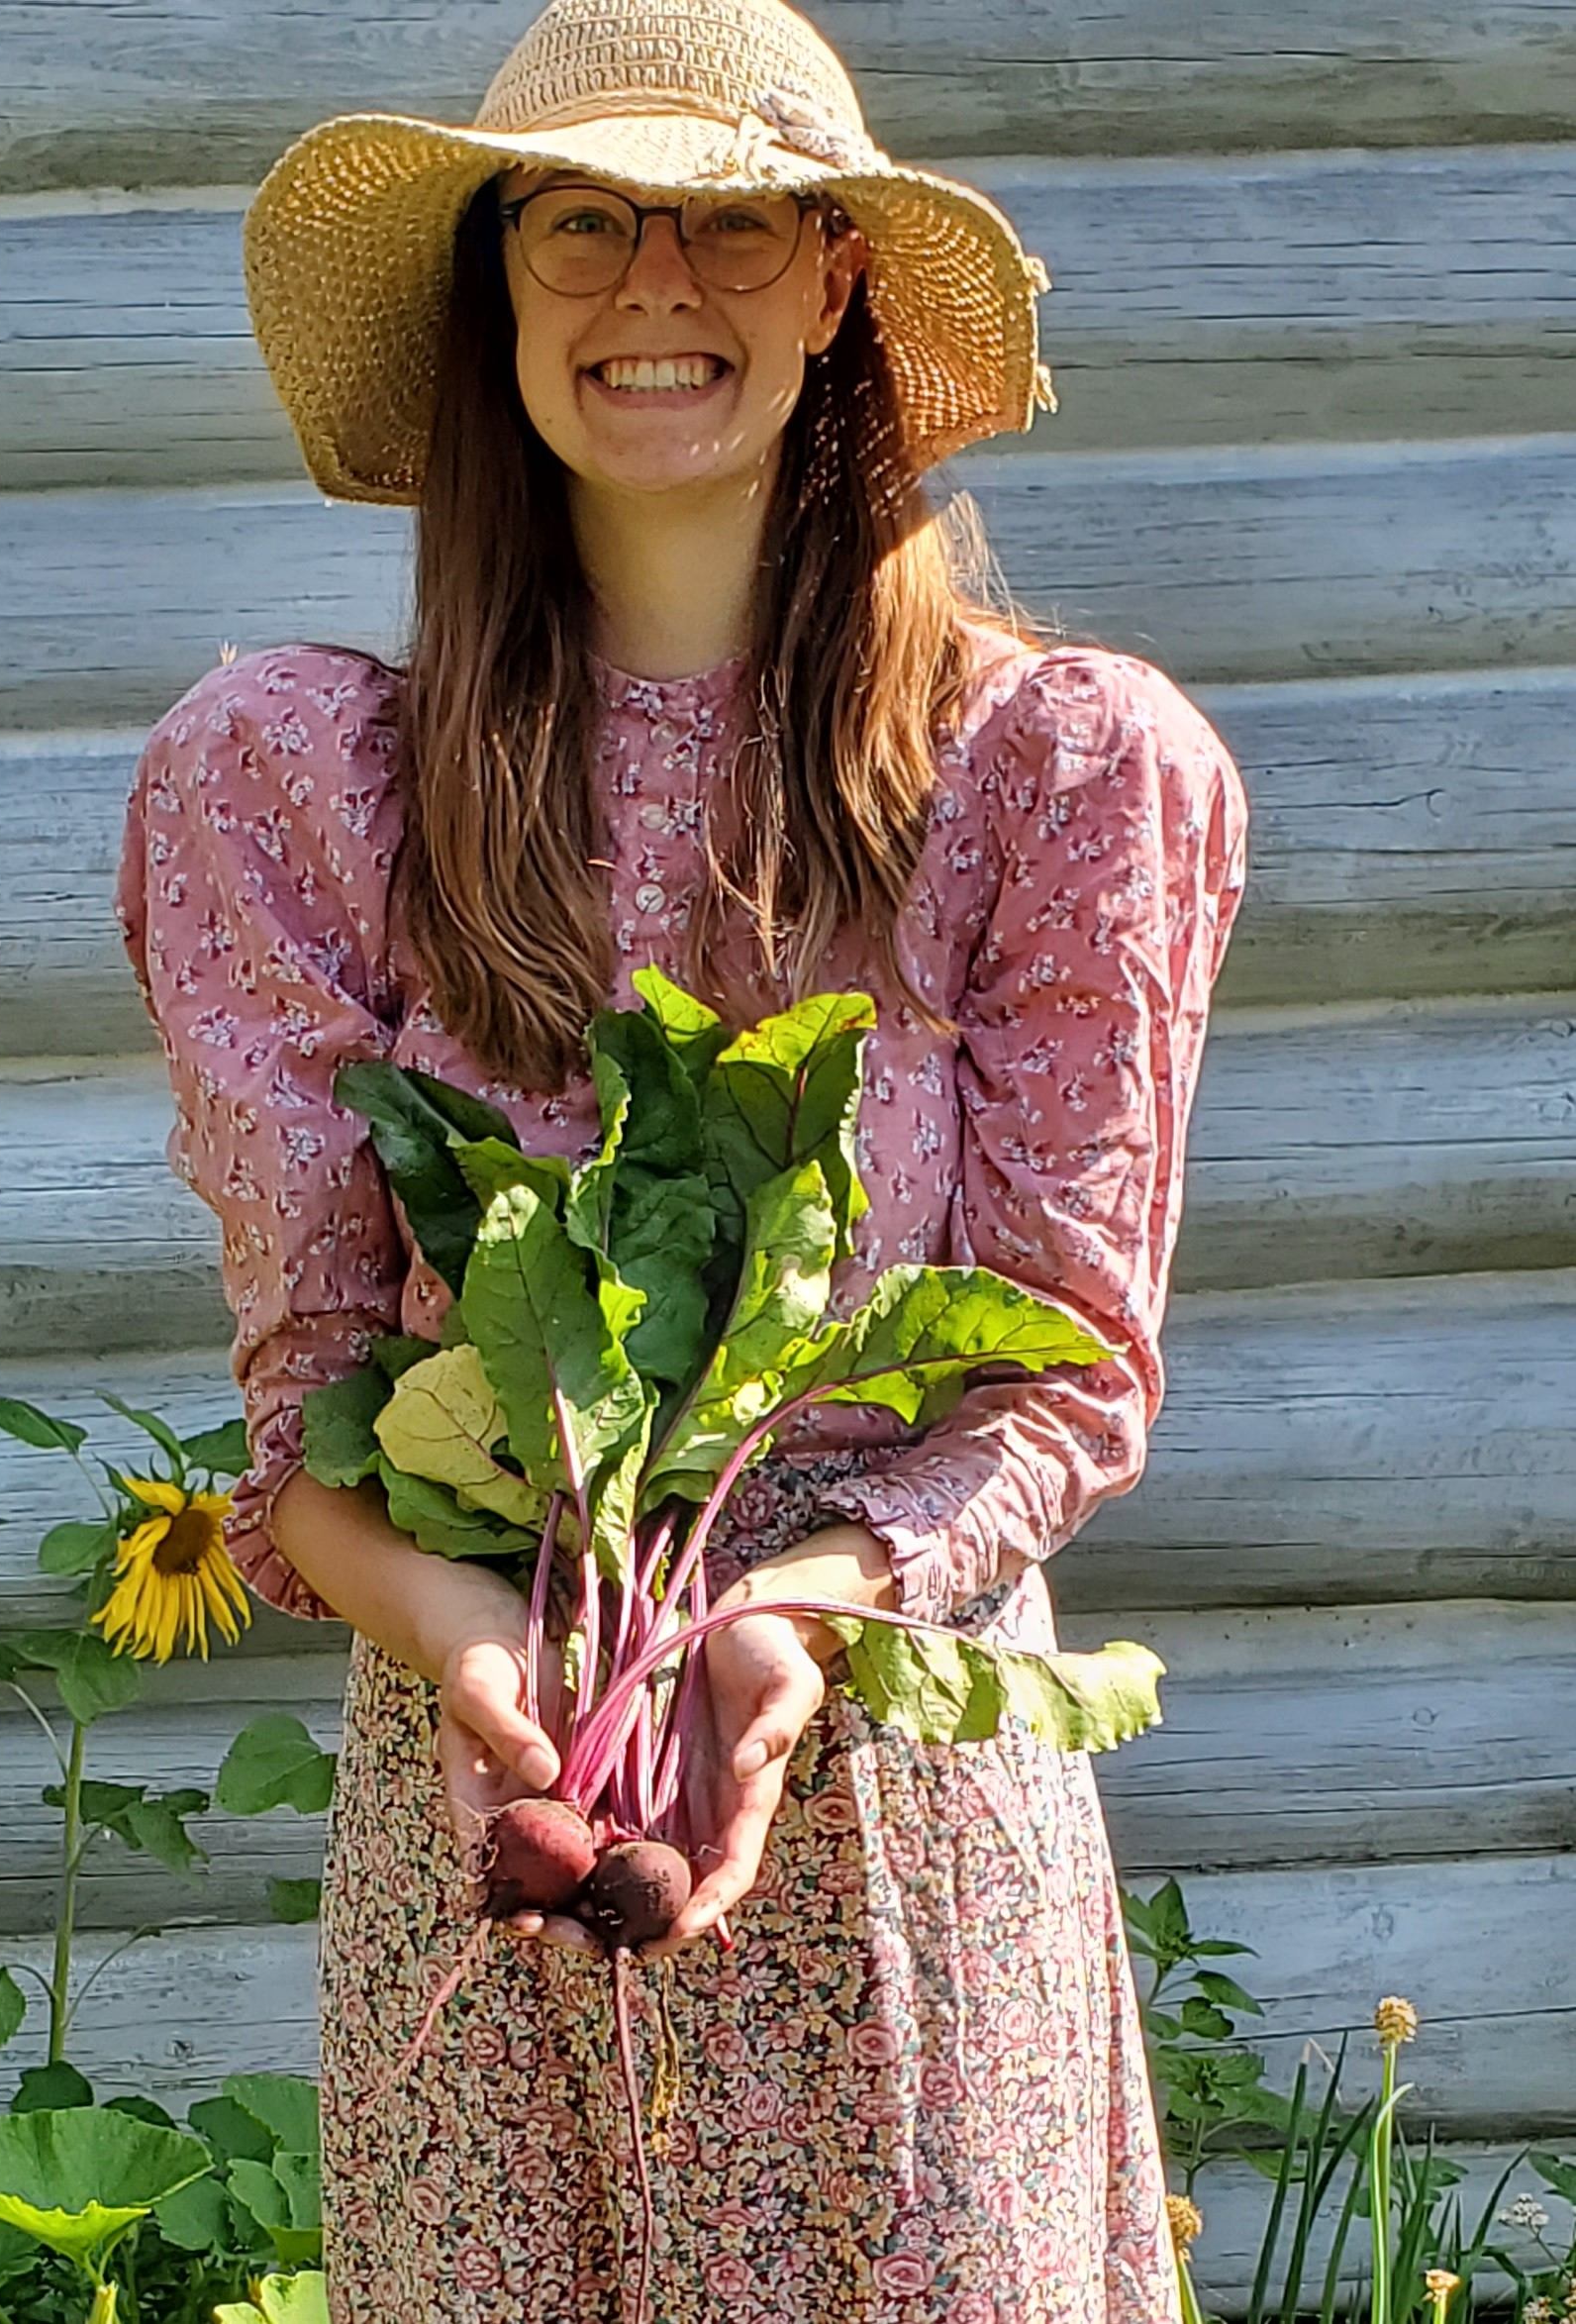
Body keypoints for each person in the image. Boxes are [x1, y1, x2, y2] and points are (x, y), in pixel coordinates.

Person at [114, 0, 1250, 2314]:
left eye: (732, 224)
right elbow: (309, 1438)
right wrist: (471, 1646)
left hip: (897, 1828)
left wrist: (793, 1616)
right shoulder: (294, 784)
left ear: (837, 279)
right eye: (583, 224)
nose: (659, 286)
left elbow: (1063, 1384)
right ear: (497, 291)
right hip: (499, 1833)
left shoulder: (1046, 778)